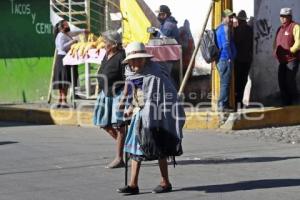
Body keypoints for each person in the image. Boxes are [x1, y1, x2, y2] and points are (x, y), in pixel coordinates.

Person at [116, 42, 185, 194]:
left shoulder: (156, 73)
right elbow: (130, 90)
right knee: (136, 149)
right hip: (139, 115)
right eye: (133, 60)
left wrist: (142, 108)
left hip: (156, 115)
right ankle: (133, 184)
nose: (136, 62)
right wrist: (125, 107)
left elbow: (164, 95)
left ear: (145, 59)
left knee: (159, 147)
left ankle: (165, 182)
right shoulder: (130, 72)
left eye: (139, 59)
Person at [93, 30, 126, 169]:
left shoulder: (121, 57)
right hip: (105, 94)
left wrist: (124, 99)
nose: (103, 44)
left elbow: (127, 79)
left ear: (113, 44)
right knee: (103, 123)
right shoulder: (107, 54)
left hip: (117, 94)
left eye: (106, 42)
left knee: (119, 126)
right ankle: (128, 146)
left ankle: (119, 158)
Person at [53, 20, 85, 107]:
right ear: (62, 28)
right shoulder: (60, 36)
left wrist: (83, 31)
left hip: (66, 59)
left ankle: (61, 100)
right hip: (63, 59)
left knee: (64, 81)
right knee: (64, 81)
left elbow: (74, 32)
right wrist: (73, 41)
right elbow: (62, 47)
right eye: (66, 25)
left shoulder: (66, 34)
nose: (68, 26)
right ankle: (63, 100)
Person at [274, 8, 300, 106]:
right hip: (282, 60)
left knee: (289, 80)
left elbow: (298, 42)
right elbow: (276, 42)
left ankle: (295, 101)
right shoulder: (280, 29)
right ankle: (286, 102)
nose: (283, 18)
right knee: (281, 81)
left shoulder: (295, 27)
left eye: (285, 16)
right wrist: (275, 51)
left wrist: (290, 51)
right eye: (281, 16)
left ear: (290, 17)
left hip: (292, 59)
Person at [215, 9, 237, 111]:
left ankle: (225, 104)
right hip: (225, 59)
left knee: (225, 82)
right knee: (225, 83)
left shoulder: (219, 28)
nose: (231, 19)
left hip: (221, 59)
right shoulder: (225, 28)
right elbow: (226, 44)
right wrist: (229, 57)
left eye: (232, 17)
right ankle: (222, 105)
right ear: (224, 17)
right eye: (229, 17)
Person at [234, 10, 253, 109]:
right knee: (243, 81)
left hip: (238, 60)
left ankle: (236, 102)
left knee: (237, 82)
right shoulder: (250, 30)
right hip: (247, 60)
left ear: (238, 20)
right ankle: (240, 103)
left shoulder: (235, 30)